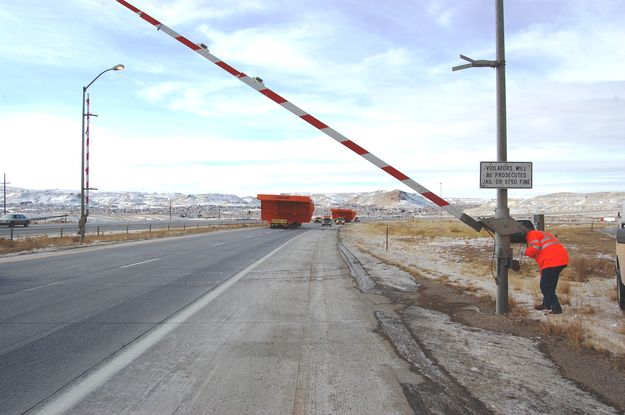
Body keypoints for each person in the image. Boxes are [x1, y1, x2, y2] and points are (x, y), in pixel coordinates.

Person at [524, 229, 569, 314]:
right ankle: (547, 304)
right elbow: (543, 251)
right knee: (550, 286)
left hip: (552, 261)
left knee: (545, 286)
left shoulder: (531, 234)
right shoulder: (542, 234)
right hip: (560, 259)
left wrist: (526, 252)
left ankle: (556, 307)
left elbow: (535, 248)